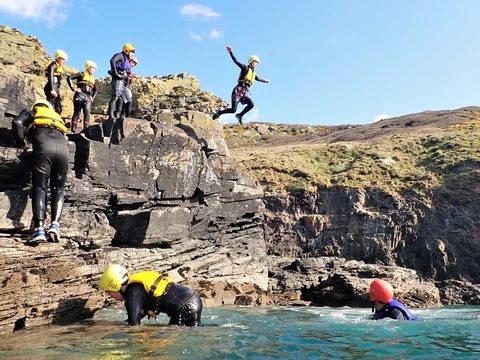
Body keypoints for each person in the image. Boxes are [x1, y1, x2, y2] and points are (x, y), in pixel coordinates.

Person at [11, 99, 69, 245]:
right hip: (63, 150)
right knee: (58, 188)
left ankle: (39, 230)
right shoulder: (56, 116)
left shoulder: (34, 112)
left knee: (40, 187)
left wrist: (21, 144)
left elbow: (17, 123)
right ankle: (55, 225)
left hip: (44, 147)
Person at [99, 264, 202, 326]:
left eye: (109, 292)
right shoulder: (138, 289)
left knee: (175, 333)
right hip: (190, 298)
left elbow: (133, 325)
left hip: (185, 306)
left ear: (114, 286)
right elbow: (138, 316)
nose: (111, 296)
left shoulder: (133, 293)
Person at [212, 46, 269, 125]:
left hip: (245, 92)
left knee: (251, 104)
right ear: (251, 61)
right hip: (238, 90)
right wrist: (231, 52)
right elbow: (236, 61)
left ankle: (240, 115)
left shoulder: (253, 73)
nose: (256, 64)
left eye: (257, 63)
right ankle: (219, 112)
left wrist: (264, 81)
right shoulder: (245, 68)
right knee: (233, 110)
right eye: (255, 62)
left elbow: (257, 78)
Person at [106, 43, 135, 134]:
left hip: (125, 83)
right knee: (115, 96)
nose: (133, 54)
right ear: (127, 50)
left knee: (127, 100)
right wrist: (115, 72)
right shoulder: (120, 55)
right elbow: (112, 61)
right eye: (131, 52)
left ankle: (123, 116)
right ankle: (111, 116)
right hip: (118, 80)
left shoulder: (126, 59)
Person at [66, 60, 98, 133]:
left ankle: (86, 131)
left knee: (87, 112)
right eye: (93, 68)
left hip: (87, 97)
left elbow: (95, 90)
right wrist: (73, 88)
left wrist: (92, 97)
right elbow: (69, 78)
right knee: (77, 112)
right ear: (88, 67)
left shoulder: (93, 79)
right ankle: (73, 130)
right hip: (79, 95)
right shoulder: (81, 74)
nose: (94, 70)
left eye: (95, 69)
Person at [44, 49, 68, 115]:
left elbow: (57, 83)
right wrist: (52, 89)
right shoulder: (53, 65)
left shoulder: (58, 67)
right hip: (51, 87)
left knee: (58, 109)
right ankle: (47, 121)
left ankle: (54, 121)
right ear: (58, 58)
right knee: (50, 106)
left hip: (56, 89)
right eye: (63, 59)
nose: (64, 61)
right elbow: (50, 76)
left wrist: (58, 94)